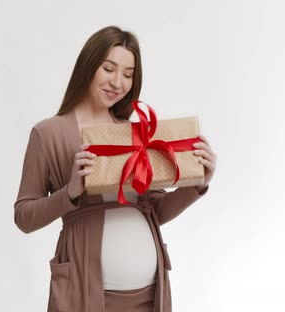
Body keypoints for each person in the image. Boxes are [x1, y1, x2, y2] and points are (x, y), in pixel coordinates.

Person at [14, 25, 216, 312]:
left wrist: (196, 184)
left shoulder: (136, 134)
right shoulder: (48, 134)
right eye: (109, 68)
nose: (117, 82)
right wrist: (69, 192)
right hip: (85, 293)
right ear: (89, 65)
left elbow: (155, 210)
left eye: (128, 74)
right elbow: (24, 216)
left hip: (149, 296)